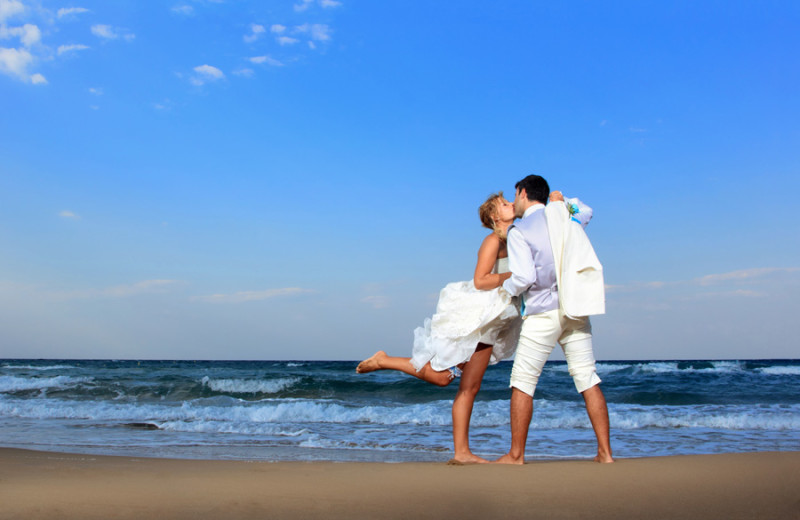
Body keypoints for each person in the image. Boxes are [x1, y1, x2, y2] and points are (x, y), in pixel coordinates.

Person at [356, 192, 522, 464]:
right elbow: (480, 280)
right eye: (505, 204)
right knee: (467, 387)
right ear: (495, 216)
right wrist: (515, 276)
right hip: (483, 318)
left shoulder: (514, 238)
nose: (511, 205)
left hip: (495, 317)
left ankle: (384, 360)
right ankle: (462, 453)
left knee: (446, 379)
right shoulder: (493, 240)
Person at [495, 174, 614, 464]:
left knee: (523, 381)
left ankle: (516, 455)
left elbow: (523, 277)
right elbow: (587, 211)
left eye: (515, 196)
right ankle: (605, 453)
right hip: (574, 308)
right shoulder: (564, 215)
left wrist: (504, 289)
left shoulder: (519, 231)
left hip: (542, 312)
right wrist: (564, 201)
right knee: (587, 377)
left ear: (523, 193)